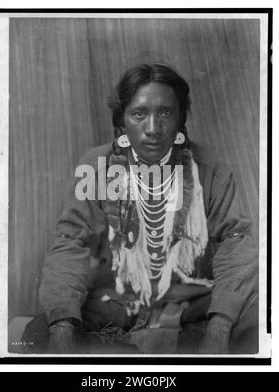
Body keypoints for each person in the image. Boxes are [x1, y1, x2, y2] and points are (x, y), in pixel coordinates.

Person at [22, 63, 258, 354]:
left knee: (258, 322)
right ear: (121, 122)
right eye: (139, 114)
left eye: (165, 113)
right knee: (40, 334)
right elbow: (72, 243)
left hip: (190, 304)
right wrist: (63, 327)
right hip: (115, 304)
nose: (153, 129)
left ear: (181, 118)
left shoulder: (211, 171)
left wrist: (220, 326)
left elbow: (236, 243)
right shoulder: (97, 167)